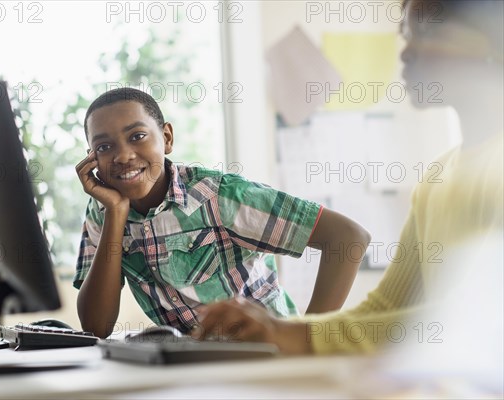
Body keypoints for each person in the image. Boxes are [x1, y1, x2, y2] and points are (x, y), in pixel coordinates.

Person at [192, 0, 504, 354]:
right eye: (408, 37)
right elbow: (385, 311)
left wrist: (292, 336)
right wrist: (273, 330)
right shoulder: (437, 178)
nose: (406, 54)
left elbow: (481, 315)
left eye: (430, 34)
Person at [74, 88, 371, 338]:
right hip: (199, 368)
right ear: (91, 158)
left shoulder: (219, 196)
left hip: (269, 357)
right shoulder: (103, 210)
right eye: (104, 146)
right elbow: (96, 327)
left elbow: (347, 237)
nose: (123, 155)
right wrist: (115, 213)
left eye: (137, 136)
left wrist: (308, 338)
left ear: (166, 138)